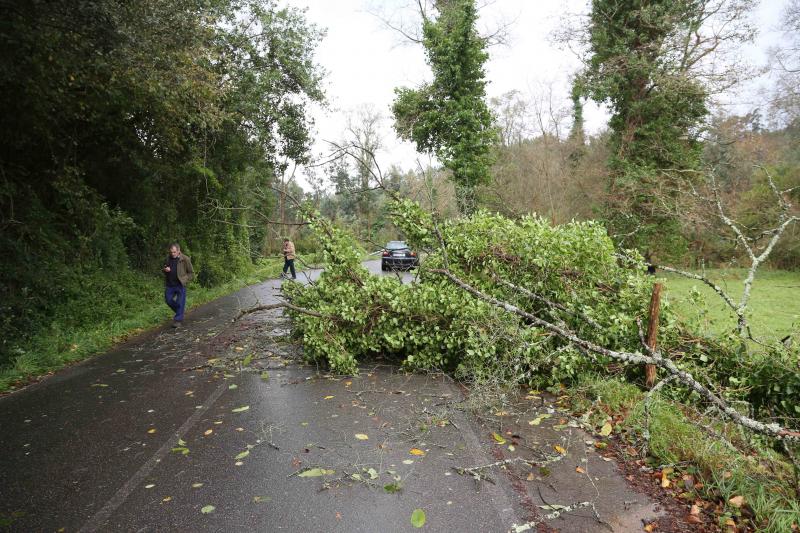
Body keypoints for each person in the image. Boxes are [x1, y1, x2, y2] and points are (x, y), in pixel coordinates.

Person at [162, 243, 194, 328]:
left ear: (179, 251)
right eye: (171, 252)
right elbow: (164, 269)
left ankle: (177, 320)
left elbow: (191, 273)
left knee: (180, 302)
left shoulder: (185, 259)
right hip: (170, 284)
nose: (172, 254)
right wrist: (165, 270)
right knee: (168, 300)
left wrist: (185, 280)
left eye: (174, 252)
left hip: (180, 285)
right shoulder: (167, 258)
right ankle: (180, 312)